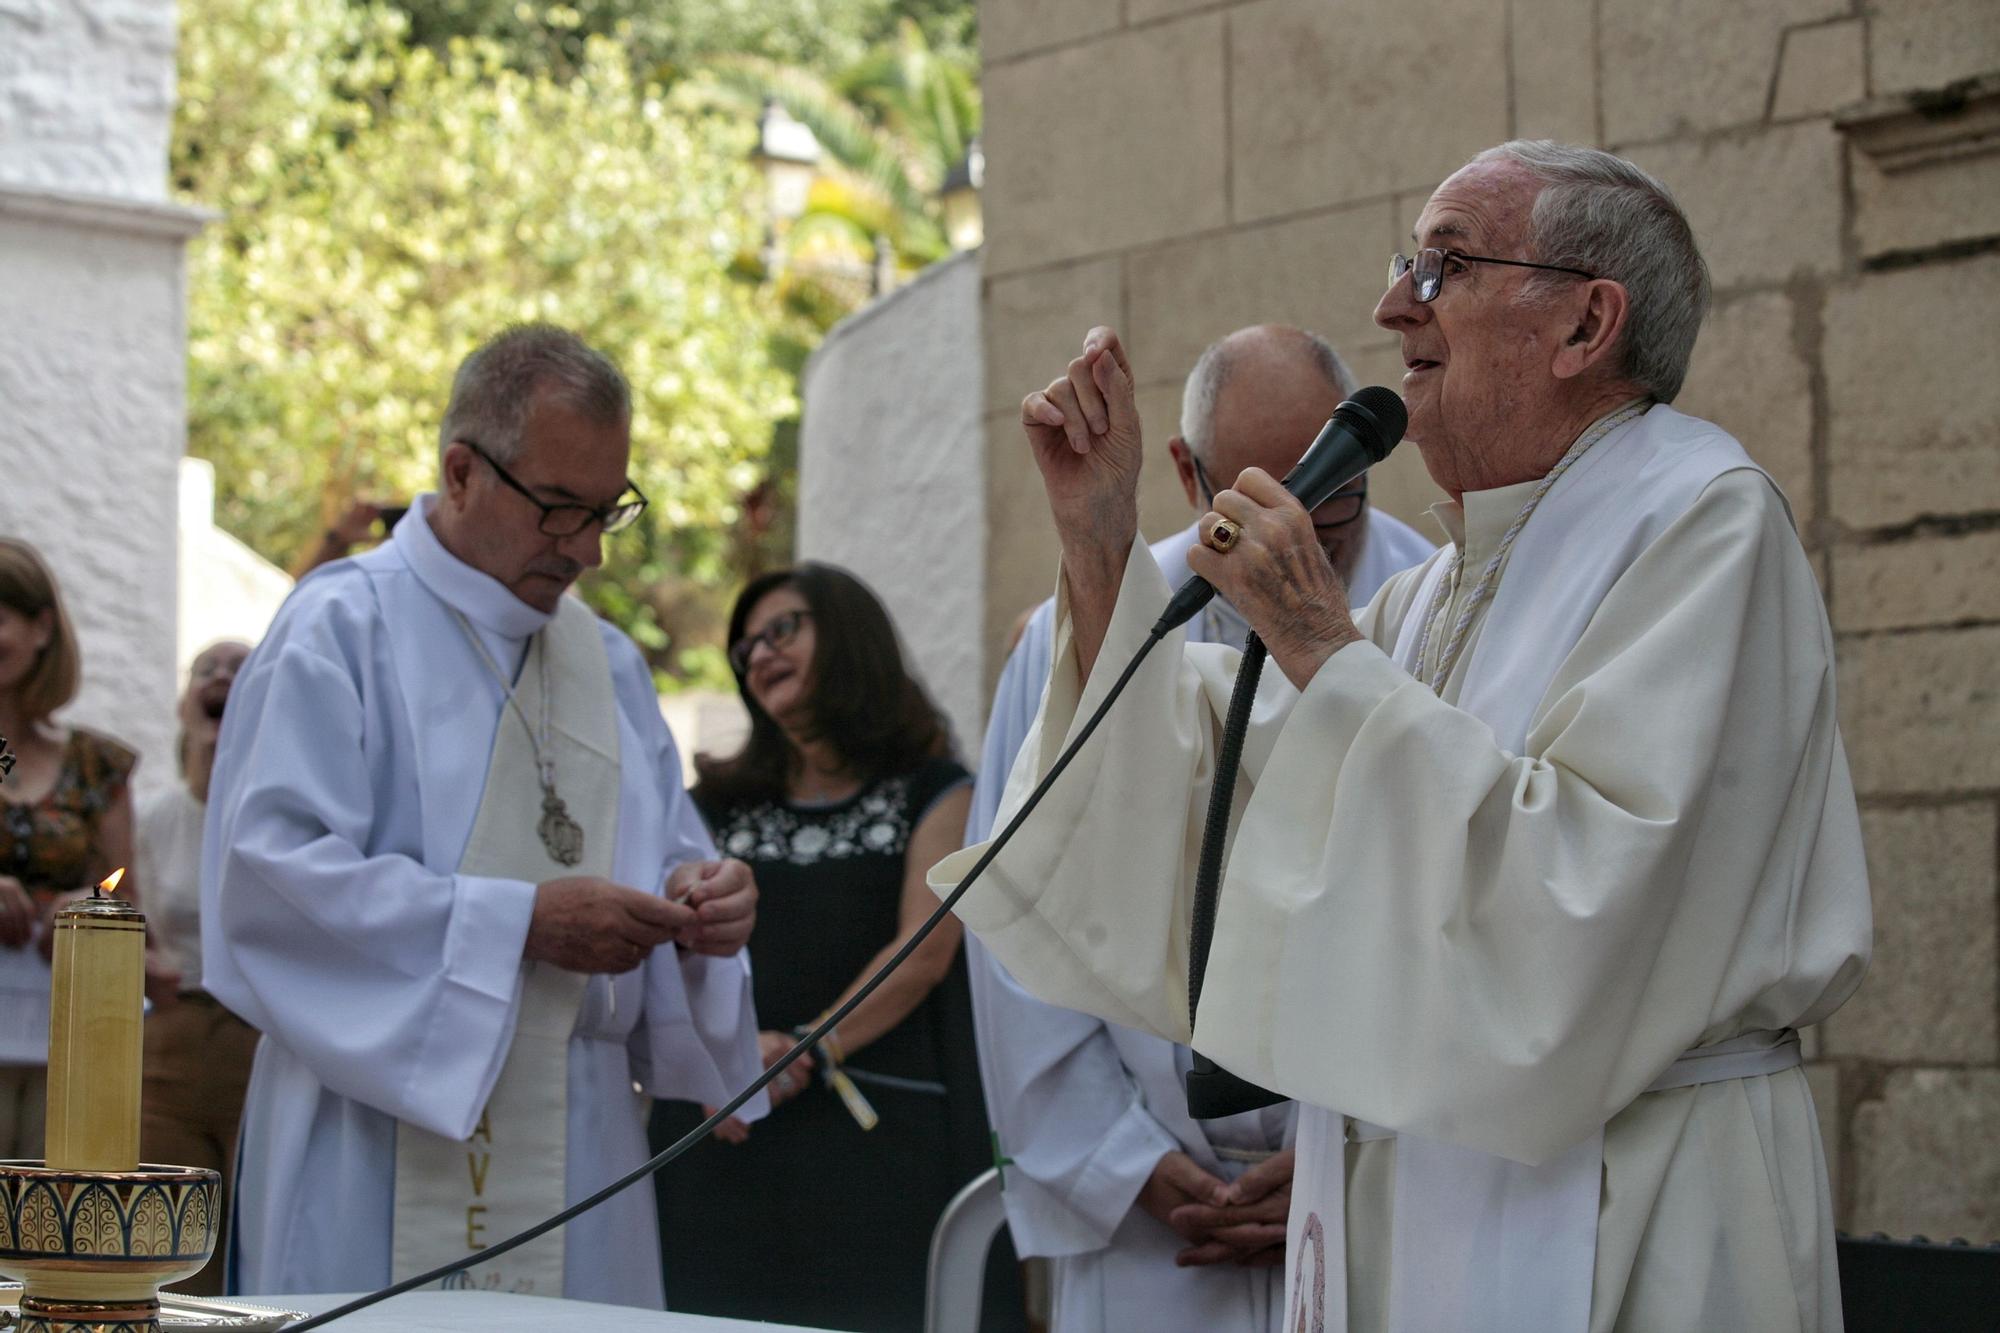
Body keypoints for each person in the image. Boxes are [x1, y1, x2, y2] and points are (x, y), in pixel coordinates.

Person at [932, 141, 1871, 1332]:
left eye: (1443, 267)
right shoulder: (1443, 583)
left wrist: (1323, 647)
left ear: (1586, 324)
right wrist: (1101, 544)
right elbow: (1231, 805)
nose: (1391, 307)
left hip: (1626, 1200)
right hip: (1420, 1188)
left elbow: (1577, 908)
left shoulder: (1697, 526)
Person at [202, 324, 764, 1307]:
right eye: (558, 509)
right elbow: (267, 877)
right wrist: (523, 924)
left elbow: (671, 852)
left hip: (581, 1138)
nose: (586, 549)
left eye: (605, 511)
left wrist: (701, 908)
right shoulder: (342, 626)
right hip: (373, 1133)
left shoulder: (612, 666)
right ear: (462, 471)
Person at [964, 325, 1433, 1332]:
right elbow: (1020, 901)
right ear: (1186, 473)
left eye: (1333, 493)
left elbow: (1446, 887)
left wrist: (1345, 1143)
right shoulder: (1078, 634)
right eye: (1258, 494)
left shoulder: (1426, 611)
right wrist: (1117, 1160)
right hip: (1152, 1218)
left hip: (1370, 1183)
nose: (1294, 535)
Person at [652, 563, 1015, 1333]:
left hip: (876, 1145)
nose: (759, 656)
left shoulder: (938, 789)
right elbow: (666, 944)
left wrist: (800, 1053)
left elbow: (923, 949)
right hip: (726, 1129)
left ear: (849, 637)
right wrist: (727, 1058)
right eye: (745, 648)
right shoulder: (712, 800)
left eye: (782, 629)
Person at [0, 538, 140, 1159]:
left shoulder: (96, 764)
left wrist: (78, 905)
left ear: (42, 628)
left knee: (44, 1233)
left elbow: (121, 890)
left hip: (63, 1046)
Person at [136, 639, 257, 1296]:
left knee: (259, 1241)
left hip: (263, 1041)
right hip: (173, 1041)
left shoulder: (275, 818)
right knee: (170, 1247)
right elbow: (127, 912)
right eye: (206, 669)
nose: (222, 677)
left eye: (240, 669)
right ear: (186, 702)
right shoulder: (151, 816)